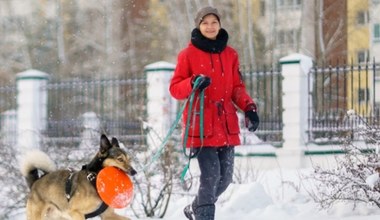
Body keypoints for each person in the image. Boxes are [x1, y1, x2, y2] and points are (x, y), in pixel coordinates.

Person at [169, 6, 259, 220]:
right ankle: (204, 216)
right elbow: (175, 88)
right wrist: (192, 82)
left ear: (220, 24)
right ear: (198, 26)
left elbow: (237, 88)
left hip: (226, 125)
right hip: (200, 126)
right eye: (205, 22)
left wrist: (249, 108)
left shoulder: (230, 54)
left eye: (214, 22)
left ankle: (195, 207)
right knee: (210, 177)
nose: (210, 26)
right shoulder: (187, 55)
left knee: (225, 179)